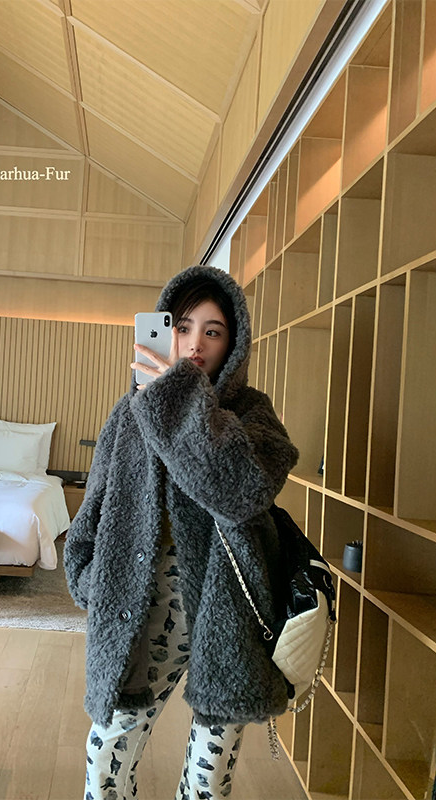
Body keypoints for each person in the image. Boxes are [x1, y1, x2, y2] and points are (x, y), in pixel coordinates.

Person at [64, 265, 299, 800]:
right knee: (108, 752)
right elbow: (96, 501)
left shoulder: (254, 415)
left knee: (208, 778)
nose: (195, 344)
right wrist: (88, 574)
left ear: (233, 344)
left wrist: (178, 396)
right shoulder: (131, 413)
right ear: (164, 330)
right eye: (183, 327)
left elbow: (240, 492)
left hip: (229, 613)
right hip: (142, 606)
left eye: (213, 332)